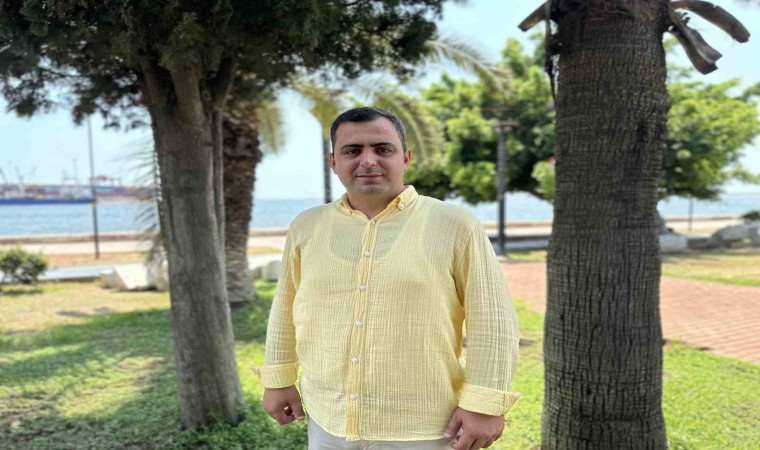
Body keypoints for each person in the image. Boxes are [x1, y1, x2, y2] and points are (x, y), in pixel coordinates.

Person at [254, 107, 520, 450]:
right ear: (333, 162)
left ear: (405, 157)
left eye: (383, 149)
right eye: (353, 151)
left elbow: (493, 320)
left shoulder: (454, 224)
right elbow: (285, 307)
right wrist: (278, 379)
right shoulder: (307, 226)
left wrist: (484, 405)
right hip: (328, 419)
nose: (368, 161)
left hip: (424, 427)